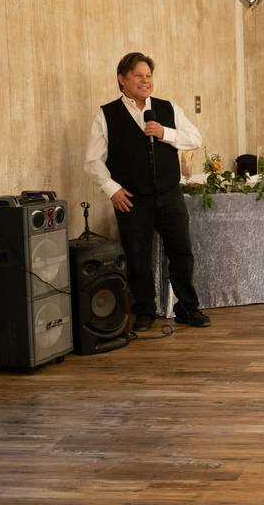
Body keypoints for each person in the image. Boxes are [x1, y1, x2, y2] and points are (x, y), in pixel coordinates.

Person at [84, 52, 211, 331]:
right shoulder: (106, 114)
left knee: (181, 253)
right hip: (132, 200)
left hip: (169, 194)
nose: (145, 81)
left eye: (149, 75)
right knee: (137, 256)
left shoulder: (168, 108)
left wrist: (165, 132)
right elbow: (93, 160)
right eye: (138, 75)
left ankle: (187, 308)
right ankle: (144, 310)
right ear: (122, 80)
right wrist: (112, 190)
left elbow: (195, 139)